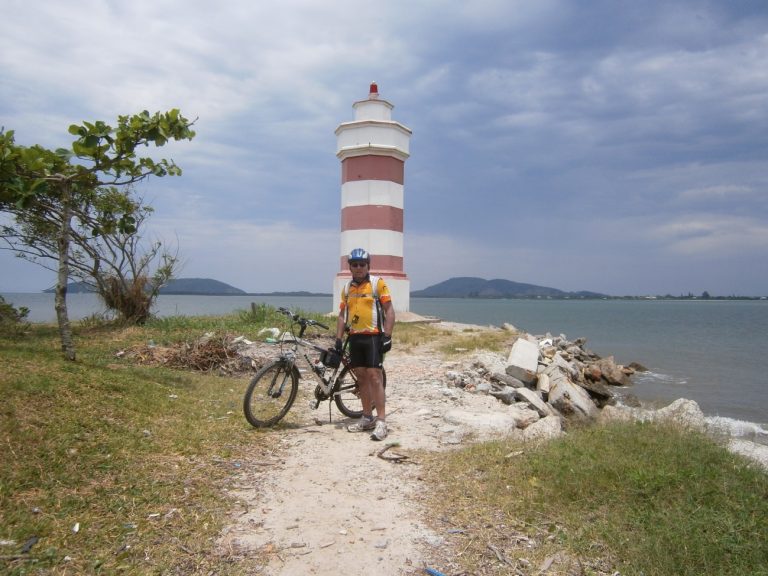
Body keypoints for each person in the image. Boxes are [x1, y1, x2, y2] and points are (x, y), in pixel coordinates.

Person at [335, 248, 395, 441]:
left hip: (373, 337)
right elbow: (342, 315)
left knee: (375, 377)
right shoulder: (346, 288)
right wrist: (338, 339)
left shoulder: (378, 284)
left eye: (362, 264)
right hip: (355, 338)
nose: (359, 267)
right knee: (361, 378)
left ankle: (381, 421)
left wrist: (387, 336)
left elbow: (389, 310)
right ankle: (367, 417)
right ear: (350, 267)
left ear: (368, 266)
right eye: (355, 264)